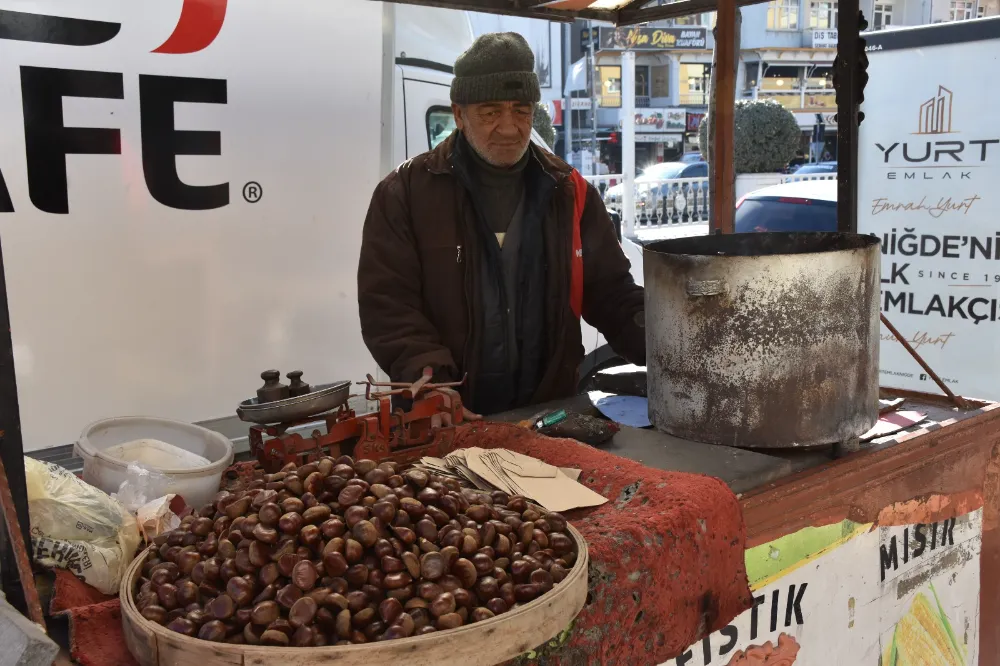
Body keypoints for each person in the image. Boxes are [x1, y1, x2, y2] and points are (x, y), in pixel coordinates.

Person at [357, 33, 645, 418]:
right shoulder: (404, 195)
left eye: (521, 110)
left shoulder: (570, 192)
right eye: (491, 112)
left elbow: (610, 293)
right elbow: (389, 306)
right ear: (459, 114)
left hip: (550, 414)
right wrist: (430, 382)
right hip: (450, 419)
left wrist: (666, 338)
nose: (509, 128)